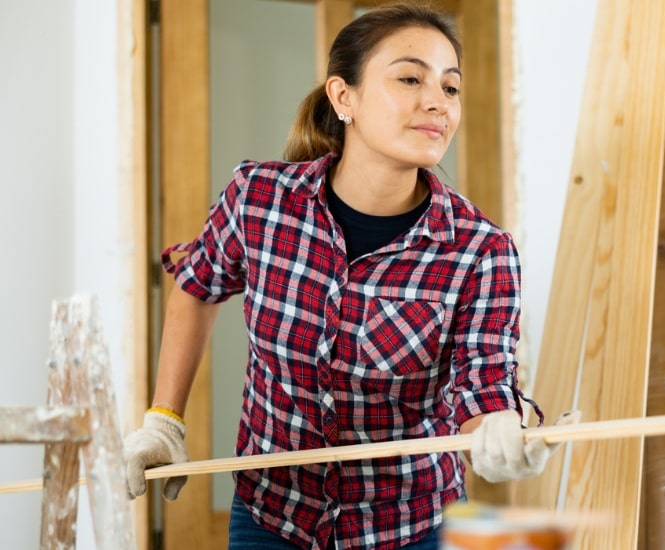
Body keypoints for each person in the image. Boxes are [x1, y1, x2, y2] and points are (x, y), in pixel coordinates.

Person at [121, 2, 578, 549]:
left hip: (409, 527)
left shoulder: (481, 251)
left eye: (450, 88)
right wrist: (164, 421)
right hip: (272, 515)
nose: (437, 102)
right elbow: (196, 286)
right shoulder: (260, 201)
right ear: (344, 98)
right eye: (410, 77)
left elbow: (482, 383)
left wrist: (502, 433)